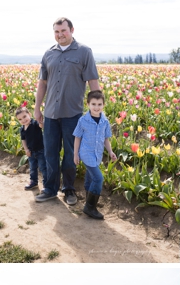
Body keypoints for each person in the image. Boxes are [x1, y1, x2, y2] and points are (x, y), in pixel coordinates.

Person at [35, 17, 101, 207]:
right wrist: (37, 108)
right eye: (56, 31)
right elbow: (42, 84)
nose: (60, 34)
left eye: (63, 30)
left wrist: (96, 109)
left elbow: (93, 82)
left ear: (72, 30)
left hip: (72, 113)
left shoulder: (84, 52)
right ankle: (50, 188)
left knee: (72, 154)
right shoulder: (48, 54)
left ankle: (69, 189)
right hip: (50, 114)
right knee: (50, 153)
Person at [72, 90, 117, 220]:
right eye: (93, 104)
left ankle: (88, 200)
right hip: (86, 153)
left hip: (98, 154)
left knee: (90, 178)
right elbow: (77, 138)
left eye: (99, 104)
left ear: (103, 105)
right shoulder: (83, 120)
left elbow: (105, 139)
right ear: (88, 104)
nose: (96, 107)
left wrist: (110, 151)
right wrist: (75, 155)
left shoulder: (105, 121)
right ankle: (90, 206)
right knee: (98, 178)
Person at [14, 108, 45, 192]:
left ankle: (46, 184)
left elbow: (41, 126)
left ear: (30, 114)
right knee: (32, 167)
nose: (23, 120)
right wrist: (26, 149)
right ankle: (33, 182)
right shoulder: (22, 129)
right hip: (31, 151)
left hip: (40, 150)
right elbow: (23, 140)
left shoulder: (34, 124)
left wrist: (41, 122)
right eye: (20, 119)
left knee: (43, 167)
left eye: (24, 116)